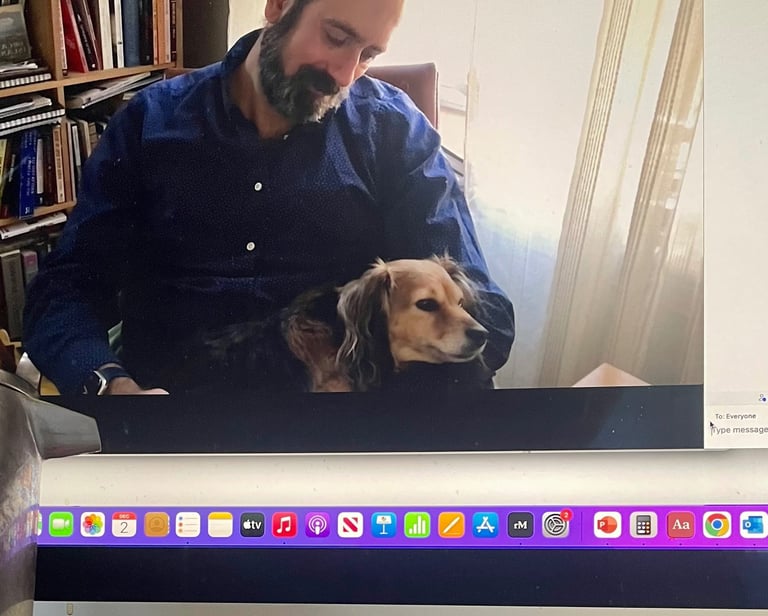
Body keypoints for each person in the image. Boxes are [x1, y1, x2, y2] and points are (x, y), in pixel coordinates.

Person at [22, 0, 515, 395]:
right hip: (170, 401)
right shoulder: (151, 122)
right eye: (337, 37)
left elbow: (483, 306)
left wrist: (393, 390)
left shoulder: (394, 132)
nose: (345, 75)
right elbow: (68, 288)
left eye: (368, 55)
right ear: (278, 6)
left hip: (344, 408)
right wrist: (109, 386)